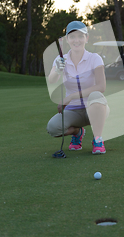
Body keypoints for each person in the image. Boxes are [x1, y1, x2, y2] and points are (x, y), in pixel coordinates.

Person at [46, 21, 110, 154]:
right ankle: (78, 132)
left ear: (86, 38)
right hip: (73, 112)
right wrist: (57, 69)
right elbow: (52, 80)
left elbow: (101, 86)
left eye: (80, 36)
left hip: (95, 108)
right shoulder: (60, 59)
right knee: (53, 128)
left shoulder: (95, 58)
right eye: (72, 36)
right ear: (67, 39)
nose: (77, 40)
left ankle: (98, 139)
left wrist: (70, 97)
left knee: (96, 95)